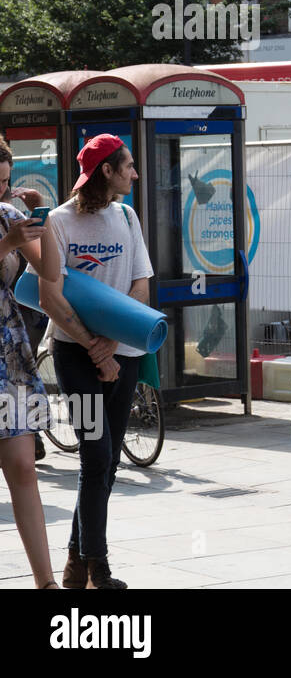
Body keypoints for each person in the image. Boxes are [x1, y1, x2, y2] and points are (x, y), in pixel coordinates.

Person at [36, 134, 153, 589]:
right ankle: (98, 567)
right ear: (106, 171)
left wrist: (110, 342)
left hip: (123, 356)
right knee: (96, 453)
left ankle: (75, 563)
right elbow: (50, 295)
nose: (135, 174)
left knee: (106, 463)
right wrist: (91, 345)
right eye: (128, 166)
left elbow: (141, 285)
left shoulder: (126, 215)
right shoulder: (58, 223)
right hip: (73, 356)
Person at [0, 141, 55, 588]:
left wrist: (43, 219)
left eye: (4, 182)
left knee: (23, 465)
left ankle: (47, 583)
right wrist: (6, 245)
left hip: (8, 352)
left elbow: (52, 272)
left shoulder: (8, 216)